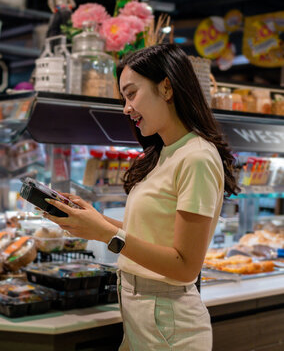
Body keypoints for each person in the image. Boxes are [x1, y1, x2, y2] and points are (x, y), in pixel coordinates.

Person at [43, 43, 239, 350]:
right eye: (124, 97)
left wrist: (106, 232)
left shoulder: (197, 157)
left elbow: (185, 266)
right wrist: (92, 219)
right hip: (144, 317)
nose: (126, 108)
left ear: (166, 87)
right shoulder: (163, 154)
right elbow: (149, 234)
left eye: (132, 93)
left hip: (169, 325)